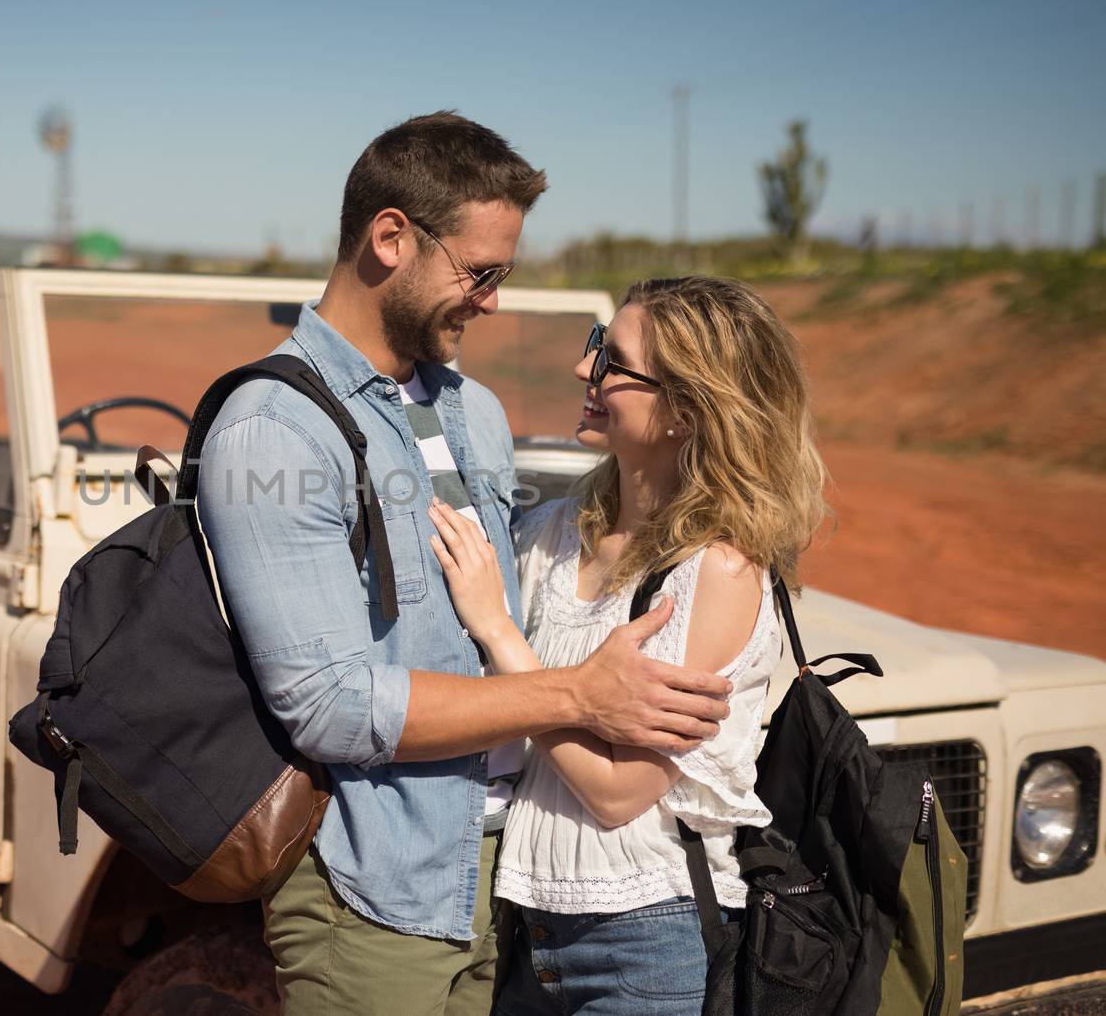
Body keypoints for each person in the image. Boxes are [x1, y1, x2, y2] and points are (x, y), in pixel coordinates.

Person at [196, 115, 733, 1014]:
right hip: (373, 888)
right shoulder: (271, 430)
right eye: (479, 274)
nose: (491, 302)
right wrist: (575, 695)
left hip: (504, 882)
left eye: (504, 278)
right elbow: (331, 703)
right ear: (391, 237)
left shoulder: (474, 410)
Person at [426, 275, 830, 1015]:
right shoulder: (554, 528)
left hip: (649, 942)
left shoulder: (720, 570)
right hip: (525, 927)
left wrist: (500, 631)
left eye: (611, 359)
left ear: (684, 409)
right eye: (593, 347)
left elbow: (618, 792)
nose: (585, 370)